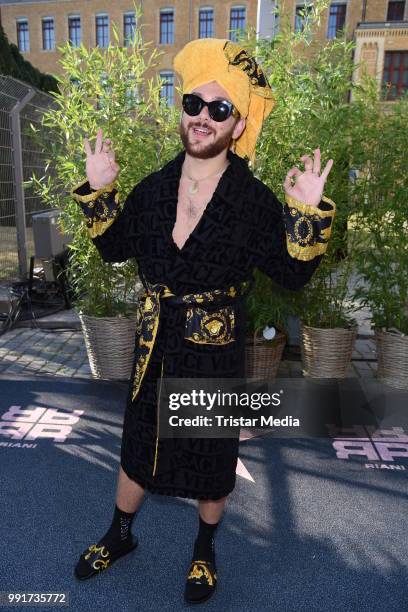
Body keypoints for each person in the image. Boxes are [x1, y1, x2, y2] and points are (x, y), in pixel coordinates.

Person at [70, 38, 336, 605]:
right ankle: (119, 536)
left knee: (212, 457)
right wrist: (99, 188)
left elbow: (292, 275)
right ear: (183, 109)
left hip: (213, 353)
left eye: (220, 109)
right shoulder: (154, 187)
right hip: (154, 344)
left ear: (238, 125)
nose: (202, 118)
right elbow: (115, 248)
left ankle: (204, 549)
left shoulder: (255, 202)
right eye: (194, 103)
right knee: (138, 447)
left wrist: (307, 215)